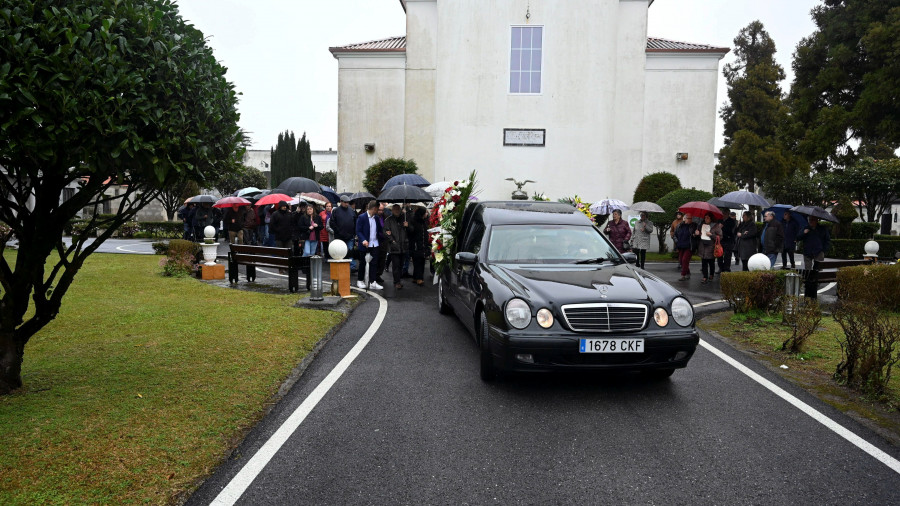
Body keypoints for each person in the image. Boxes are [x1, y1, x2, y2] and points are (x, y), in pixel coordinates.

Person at [356, 200, 384, 290]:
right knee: (363, 263)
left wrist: (385, 232)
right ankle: (360, 280)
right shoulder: (362, 217)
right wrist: (363, 240)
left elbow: (379, 229)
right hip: (365, 244)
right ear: (374, 208)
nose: (378, 211)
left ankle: (373, 282)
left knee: (374, 263)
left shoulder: (376, 218)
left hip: (374, 244)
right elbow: (358, 231)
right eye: (378, 209)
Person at [383, 204, 410, 289]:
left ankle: (398, 280)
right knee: (396, 265)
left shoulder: (404, 219)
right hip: (394, 246)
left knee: (401, 265)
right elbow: (386, 232)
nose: (397, 211)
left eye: (398, 209)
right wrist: (392, 241)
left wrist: (407, 226)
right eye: (395, 209)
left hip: (403, 246)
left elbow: (411, 231)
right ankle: (396, 282)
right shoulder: (388, 220)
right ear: (392, 210)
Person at [331, 196, 358, 271]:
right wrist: (338, 231)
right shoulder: (336, 211)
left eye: (348, 202)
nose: (347, 204)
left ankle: (352, 267)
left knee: (350, 251)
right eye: (345, 202)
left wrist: (354, 233)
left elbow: (355, 222)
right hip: (339, 236)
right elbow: (332, 223)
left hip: (350, 236)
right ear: (341, 201)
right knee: (340, 252)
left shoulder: (351, 211)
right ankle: (340, 267)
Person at [697, 213, 722, 284]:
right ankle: (705, 276)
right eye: (705, 218)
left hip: (711, 247)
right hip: (703, 246)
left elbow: (720, 236)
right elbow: (699, 234)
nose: (706, 219)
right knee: (704, 262)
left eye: (707, 218)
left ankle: (711, 274)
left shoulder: (716, 226)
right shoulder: (702, 225)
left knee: (711, 262)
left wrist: (712, 235)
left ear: (711, 218)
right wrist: (697, 233)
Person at [408, 206, 430, 286]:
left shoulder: (423, 221)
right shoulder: (414, 221)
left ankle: (415, 277)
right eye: (425, 213)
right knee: (418, 261)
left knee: (420, 261)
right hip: (416, 244)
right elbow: (412, 232)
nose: (426, 214)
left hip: (422, 244)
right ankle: (419, 278)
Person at [674, 213, 695, 280]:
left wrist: (695, 234)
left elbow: (696, 235)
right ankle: (688, 273)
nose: (689, 220)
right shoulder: (680, 225)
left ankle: (683, 275)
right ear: (684, 218)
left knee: (685, 260)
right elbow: (675, 234)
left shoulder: (693, 226)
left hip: (689, 246)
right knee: (681, 261)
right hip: (681, 245)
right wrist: (677, 241)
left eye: (690, 218)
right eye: (687, 218)